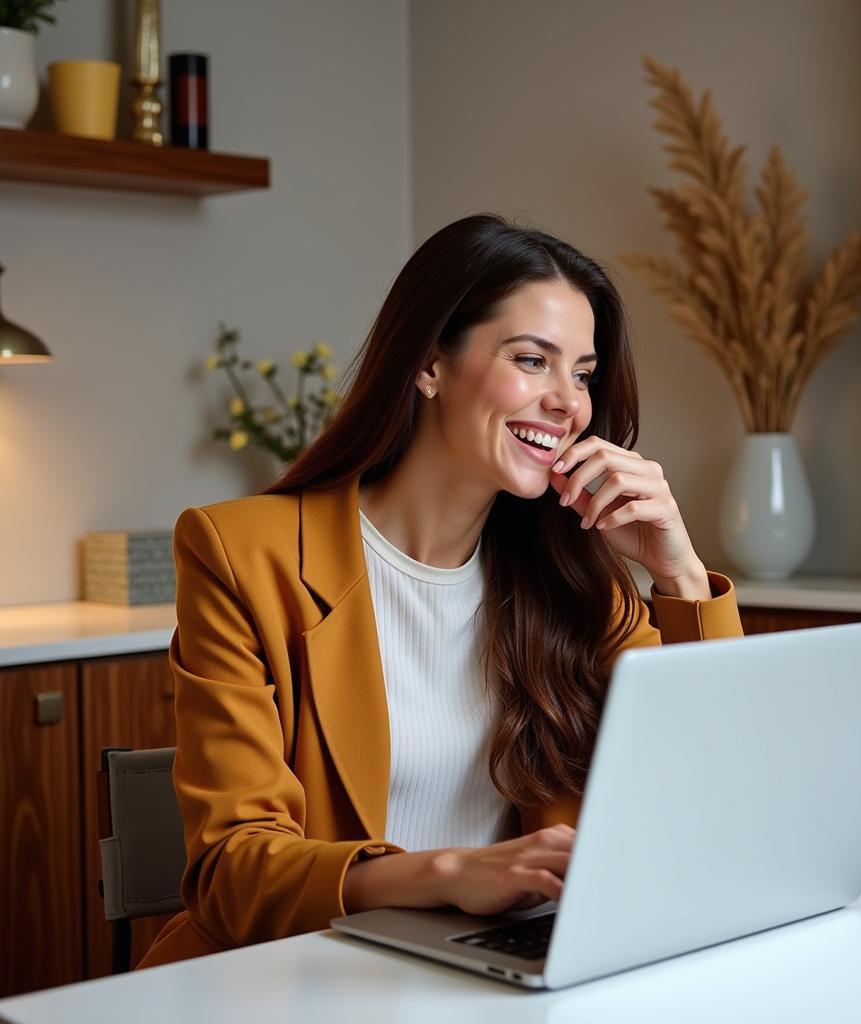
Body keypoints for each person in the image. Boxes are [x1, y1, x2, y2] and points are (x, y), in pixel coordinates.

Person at [138, 213, 743, 968]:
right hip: (293, 973)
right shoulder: (242, 554)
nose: (569, 403)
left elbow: (719, 794)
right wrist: (454, 874)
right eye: (533, 360)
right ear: (429, 365)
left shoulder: (576, 580)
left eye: (583, 374)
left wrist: (678, 574)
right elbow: (234, 872)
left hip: (491, 972)